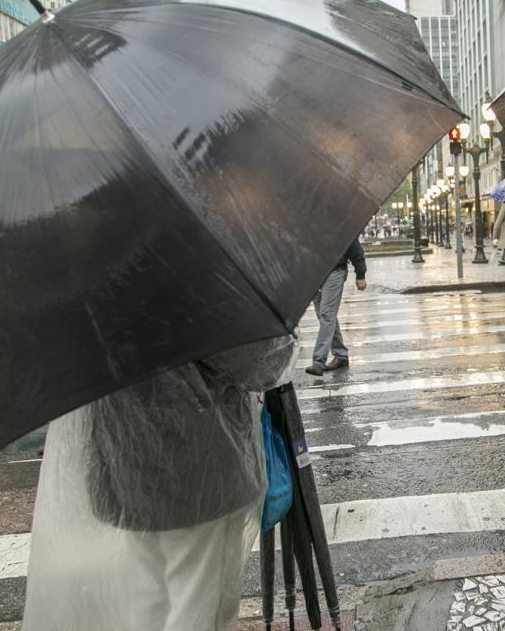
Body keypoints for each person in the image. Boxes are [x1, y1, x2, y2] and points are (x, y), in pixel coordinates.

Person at [23, 337, 300, 631]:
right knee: (199, 604)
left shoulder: (84, 294)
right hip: (201, 468)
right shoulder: (198, 289)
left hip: (120, 464)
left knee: (147, 596)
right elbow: (259, 361)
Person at [305, 237, 366, 376]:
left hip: (334, 271)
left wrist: (360, 274)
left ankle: (318, 362)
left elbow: (354, 246)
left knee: (326, 314)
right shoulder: (306, 221)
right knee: (325, 315)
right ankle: (341, 354)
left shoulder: (337, 219)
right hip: (314, 273)